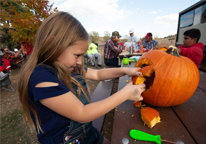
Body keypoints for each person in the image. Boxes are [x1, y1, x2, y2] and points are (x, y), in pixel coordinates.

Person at [17, 12, 145, 144]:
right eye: (77, 55)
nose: (79, 62)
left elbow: (97, 74)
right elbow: (82, 113)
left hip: (87, 133)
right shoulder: (42, 78)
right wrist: (125, 94)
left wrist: (126, 70)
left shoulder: (69, 67)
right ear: (55, 44)